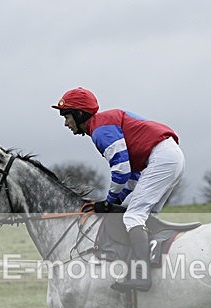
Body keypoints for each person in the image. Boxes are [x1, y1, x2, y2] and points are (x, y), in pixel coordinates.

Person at [52, 87, 184, 292]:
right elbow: (133, 176)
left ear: (79, 114)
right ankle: (154, 266)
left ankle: (141, 275)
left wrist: (109, 201)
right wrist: (113, 201)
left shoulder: (100, 130)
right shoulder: (103, 124)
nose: (65, 123)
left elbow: (121, 171)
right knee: (145, 215)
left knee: (133, 217)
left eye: (66, 116)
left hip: (162, 157)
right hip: (167, 156)